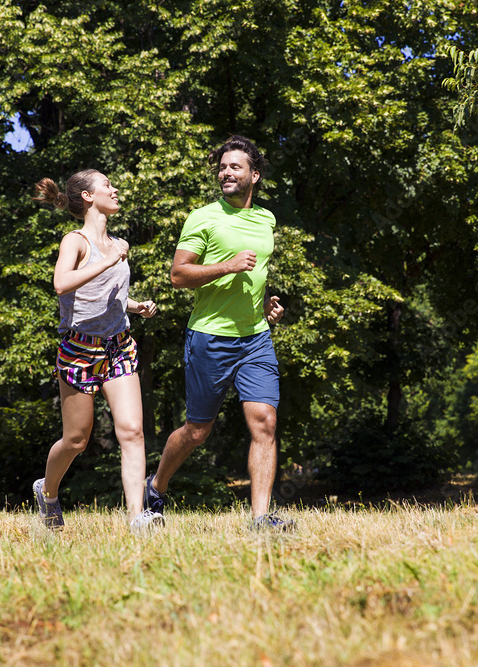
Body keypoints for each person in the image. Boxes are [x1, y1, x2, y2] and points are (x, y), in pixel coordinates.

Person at [143, 135, 292, 531]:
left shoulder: (267, 219)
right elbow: (178, 275)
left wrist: (264, 307)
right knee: (197, 431)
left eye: (235, 167)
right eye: (223, 167)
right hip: (210, 337)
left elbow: (255, 275)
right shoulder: (203, 217)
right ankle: (156, 487)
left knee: (265, 421)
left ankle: (261, 519)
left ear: (254, 175)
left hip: (256, 337)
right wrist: (227, 265)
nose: (226, 172)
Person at [30, 169, 164, 534]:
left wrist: (135, 307)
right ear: (88, 196)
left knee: (133, 431)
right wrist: (107, 261)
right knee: (76, 439)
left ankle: (138, 517)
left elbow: (107, 296)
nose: (115, 188)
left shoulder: (117, 242)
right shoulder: (75, 241)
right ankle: (49, 492)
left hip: (118, 346)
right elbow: (61, 284)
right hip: (79, 350)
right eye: (107, 184)